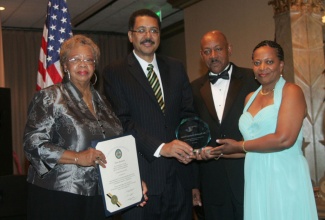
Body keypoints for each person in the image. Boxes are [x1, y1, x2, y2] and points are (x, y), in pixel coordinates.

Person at [23, 35, 147, 220]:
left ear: (94, 66)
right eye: (75, 59)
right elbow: (33, 145)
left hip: (99, 196)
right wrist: (77, 157)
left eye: (89, 60)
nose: (83, 64)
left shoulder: (103, 102)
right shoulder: (50, 97)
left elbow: (114, 148)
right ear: (65, 65)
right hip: (59, 196)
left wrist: (131, 181)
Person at [103, 9, 197, 220]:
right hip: (141, 179)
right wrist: (162, 148)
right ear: (130, 36)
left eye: (154, 30)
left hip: (180, 178)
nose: (148, 36)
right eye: (142, 30)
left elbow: (188, 113)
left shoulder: (176, 67)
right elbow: (122, 122)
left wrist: (191, 142)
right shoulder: (115, 72)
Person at [210, 40, 318, 220]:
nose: (262, 67)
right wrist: (216, 152)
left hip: (285, 175)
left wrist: (239, 146)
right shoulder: (250, 98)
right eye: (257, 62)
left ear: (281, 65)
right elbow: (250, 147)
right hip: (256, 176)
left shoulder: (291, 91)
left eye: (269, 62)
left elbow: (284, 139)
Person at [191, 30, 259, 220]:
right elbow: (192, 134)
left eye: (218, 49)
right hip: (212, 181)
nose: (213, 56)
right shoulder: (193, 88)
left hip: (248, 175)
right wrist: (194, 183)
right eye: (207, 51)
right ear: (201, 55)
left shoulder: (252, 79)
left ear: (229, 49)